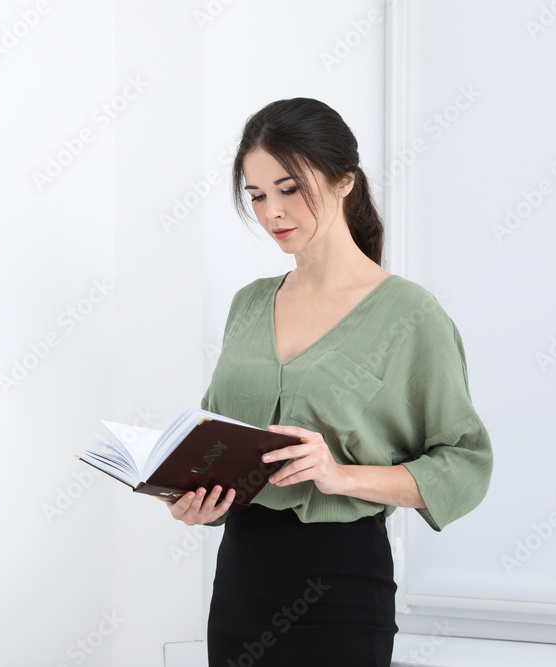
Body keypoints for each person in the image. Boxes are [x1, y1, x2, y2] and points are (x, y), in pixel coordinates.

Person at [158, 98, 494, 666]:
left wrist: (338, 475)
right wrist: (198, 498)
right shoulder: (250, 304)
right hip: (242, 580)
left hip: (341, 584)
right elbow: (216, 436)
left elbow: (463, 465)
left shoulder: (410, 315)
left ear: (345, 182)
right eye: (257, 195)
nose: (272, 212)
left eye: (290, 188)